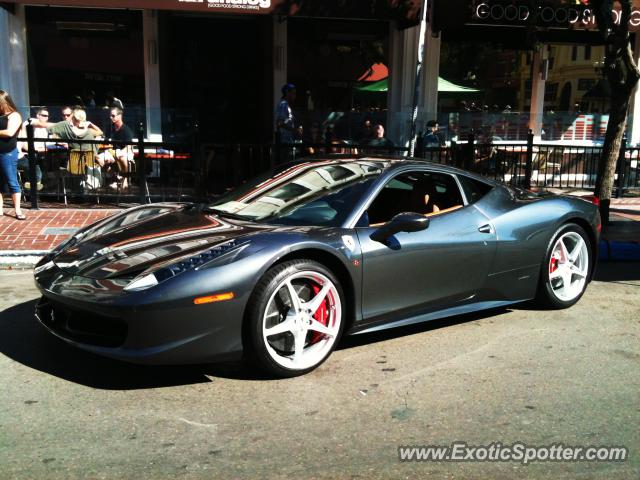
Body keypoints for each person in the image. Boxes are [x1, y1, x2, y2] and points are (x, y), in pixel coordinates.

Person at [0, 90, 25, 220]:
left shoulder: (14, 115)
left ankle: (17, 210)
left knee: (12, 181)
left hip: (7, 153)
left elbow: (10, 132)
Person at [97, 107, 134, 189]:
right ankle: (116, 178)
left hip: (125, 151)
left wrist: (120, 153)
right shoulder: (110, 128)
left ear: (119, 116)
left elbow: (129, 146)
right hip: (112, 151)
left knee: (123, 158)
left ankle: (125, 180)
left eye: (113, 116)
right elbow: (107, 142)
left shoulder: (126, 130)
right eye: (110, 115)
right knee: (98, 158)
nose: (111, 117)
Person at [17, 107, 49, 191]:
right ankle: (34, 188)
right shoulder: (30, 122)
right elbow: (29, 122)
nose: (46, 118)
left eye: (47, 116)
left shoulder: (46, 129)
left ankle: (36, 187)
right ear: (38, 115)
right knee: (35, 166)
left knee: (40, 165)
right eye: (44, 115)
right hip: (24, 154)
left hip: (39, 152)